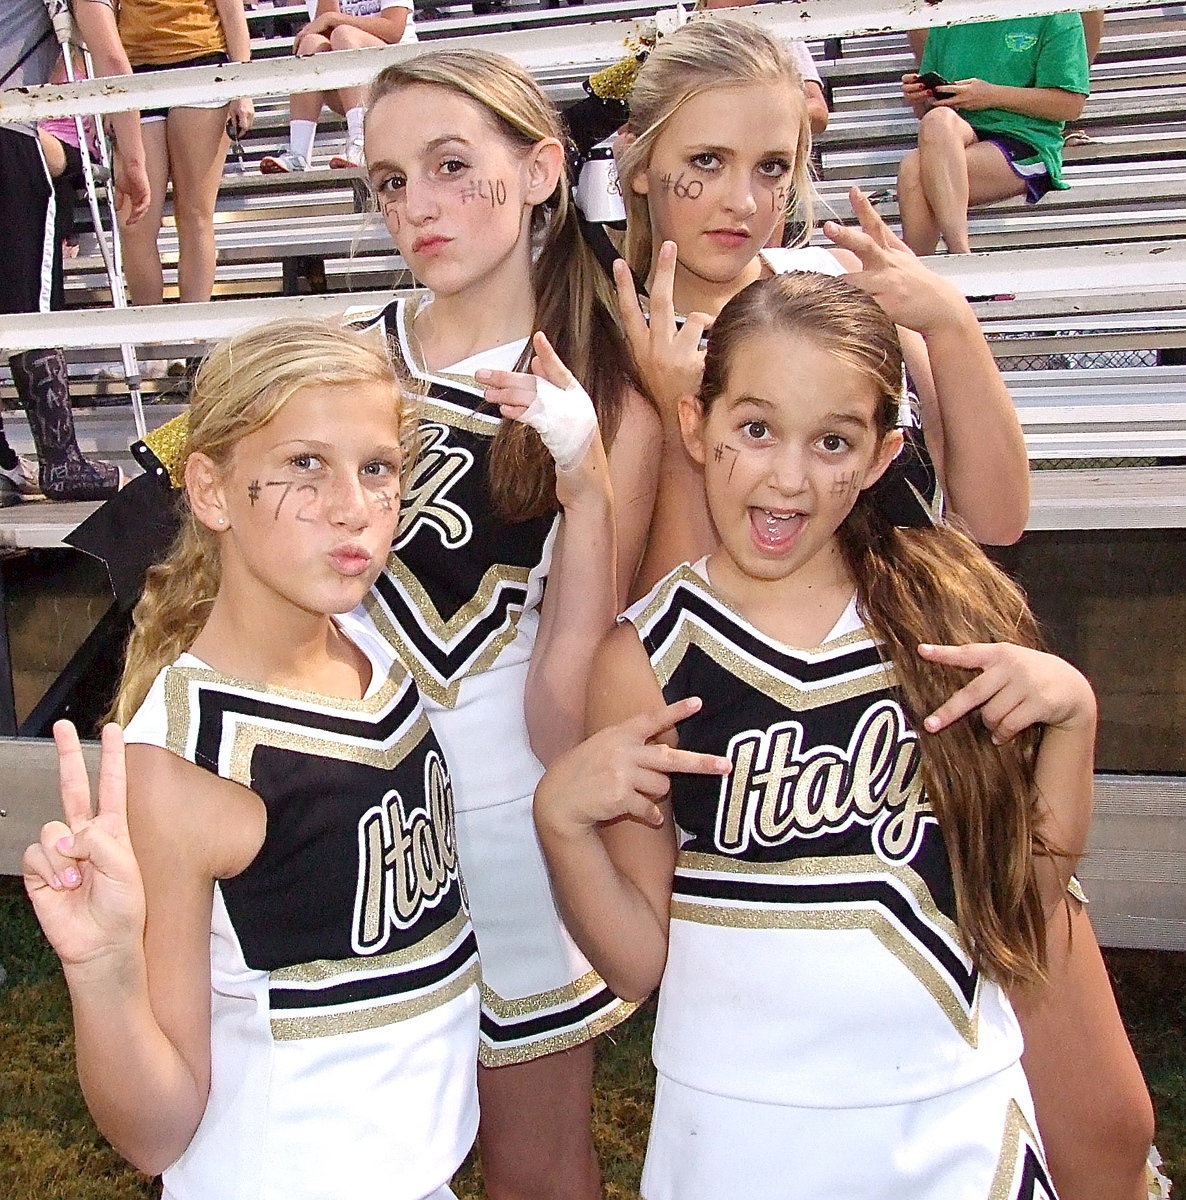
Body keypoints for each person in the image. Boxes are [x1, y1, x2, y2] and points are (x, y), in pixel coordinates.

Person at [535, 270, 1103, 1199]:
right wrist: (559, 822)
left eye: (832, 441)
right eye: (755, 429)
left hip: (949, 1123)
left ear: (880, 457)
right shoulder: (647, 658)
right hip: (737, 1129)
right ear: (696, 427)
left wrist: (1074, 716)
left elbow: (1023, 902)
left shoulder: (944, 615)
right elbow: (637, 959)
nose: (788, 477)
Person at [22, 317, 481, 1200]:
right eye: (306, 465)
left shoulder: (375, 658)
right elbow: (159, 1129)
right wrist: (105, 971)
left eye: (376, 468)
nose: (353, 505)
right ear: (212, 489)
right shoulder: (183, 762)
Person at [358, 49, 660, 1200]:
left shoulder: (608, 391)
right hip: (345, 810)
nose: (417, 208)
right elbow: (175, 553)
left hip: (509, 824)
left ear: (540, 172)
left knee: (534, 1159)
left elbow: (563, 698)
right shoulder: (333, 365)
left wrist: (588, 478)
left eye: (449, 166)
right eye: (389, 183)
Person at [609, 14, 1031, 596]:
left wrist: (950, 320)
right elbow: (648, 622)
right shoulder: (599, 334)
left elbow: (995, 519)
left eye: (771, 167)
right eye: (707, 160)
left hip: (907, 655)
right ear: (639, 161)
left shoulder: (850, 288)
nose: (743, 202)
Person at [1, 0, 150, 503]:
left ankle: (2, 459)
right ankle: (61, 459)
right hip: (8, 135)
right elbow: (110, 58)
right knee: (32, 307)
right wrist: (133, 159)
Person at [897, 15, 1090, 255]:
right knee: (937, 120)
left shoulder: (1055, 14)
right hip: (958, 133)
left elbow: (1070, 105)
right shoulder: (947, 16)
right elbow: (927, 111)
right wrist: (919, 95)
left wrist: (991, 96)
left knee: (913, 167)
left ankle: (941, 263)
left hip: (1025, 138)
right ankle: (950, 263)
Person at [112, 0, 254, 305]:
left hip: (200, 62)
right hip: (131, 70)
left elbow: (232, 11)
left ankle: (193, 338)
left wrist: (242, 89)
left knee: (195, 214)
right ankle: (152, 343)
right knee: (134, 220)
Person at [259, 0, 416, 174]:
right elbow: (323, 29)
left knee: (344, 33)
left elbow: (393, 30)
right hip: (352, 86)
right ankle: (299, 153)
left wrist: (334, 18)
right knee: (312, 43)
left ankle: (361, 143)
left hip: (398, 76)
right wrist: (330, 17)